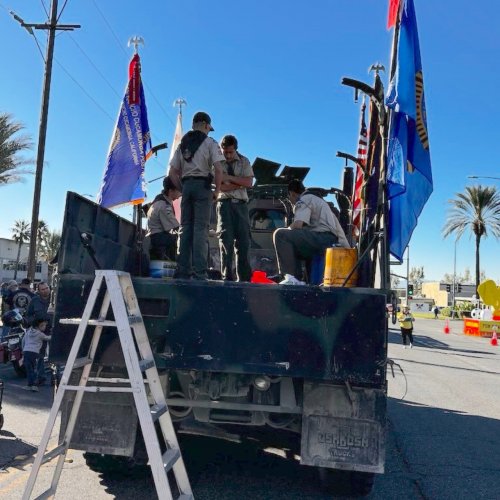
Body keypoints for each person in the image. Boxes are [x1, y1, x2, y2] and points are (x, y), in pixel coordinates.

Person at [168, 111, 225, 280]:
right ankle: (200, 273)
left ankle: (182, 271)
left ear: (193, 125)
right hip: (203, 187)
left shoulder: (182, 144)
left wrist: (182, 188)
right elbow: (219, 169)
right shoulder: (210, 142)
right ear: (207, 126)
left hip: (187, 187)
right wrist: (217, 191)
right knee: (201, 229)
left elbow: (172, 172)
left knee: (185, 228)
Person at [273, 179, 350, 285]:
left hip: (323, 239)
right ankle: (301, 279)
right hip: (332, 242)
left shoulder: (304, 199)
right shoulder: (318, 200)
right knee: (298, 244)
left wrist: (288, 228)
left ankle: (290, 278)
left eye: (289, 197)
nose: (290, 201)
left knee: (281, 235)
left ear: (292, 193)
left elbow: (298, 224)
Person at [216, 134, 254, 281]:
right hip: (224, 206)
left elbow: (249, 183)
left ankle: (244, 278)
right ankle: (227, 277)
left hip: (241, 206)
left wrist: (229, 178)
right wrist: (239, 183)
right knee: (226, 242)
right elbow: (219, 187)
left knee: (243, 242)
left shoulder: (244, 161)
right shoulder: (217, 163)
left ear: (236, 150)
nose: (228, 155)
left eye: (231, 152)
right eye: (225, 152)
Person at [145, 177, 182, 261]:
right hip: (158, 238)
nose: (180, 194)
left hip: (152, 238)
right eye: (178, 191)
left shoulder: (157, 202)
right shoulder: (164, 206)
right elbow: (176, 227)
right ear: (171, 191)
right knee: (180, 239)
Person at [25, 282, 51, 385]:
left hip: (54, 329)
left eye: (46, 288)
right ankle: (41, 377)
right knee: (40, 355)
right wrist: (35, 324)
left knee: (56, 354)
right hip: (40, 331)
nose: (45, 290)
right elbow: (29, 315)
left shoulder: (55, 298)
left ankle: (57, 376)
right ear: (39, 291)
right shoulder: (34, 301)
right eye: (43, 289)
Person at [22, 315, 51, 392]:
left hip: (26, 351)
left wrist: (23, 350)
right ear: (40, 326)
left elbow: (23, 341)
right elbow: (48, 338)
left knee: (29, 369)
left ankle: (29, 384)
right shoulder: (40, 334)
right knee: (34, 369)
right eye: (44, 325)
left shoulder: (28, 332)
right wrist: (53, 335)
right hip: (34, 353)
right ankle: (34, 385)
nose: (45, 327)